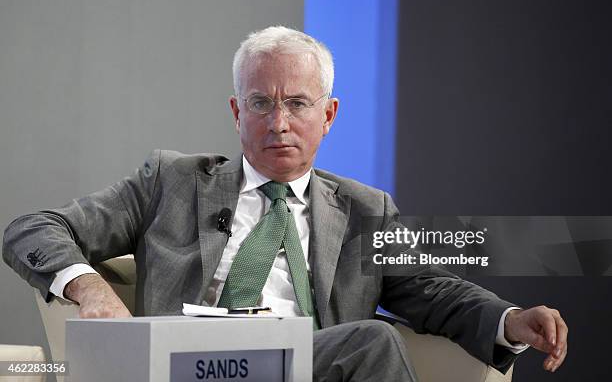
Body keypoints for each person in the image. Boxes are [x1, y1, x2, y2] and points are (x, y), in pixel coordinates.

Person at [3, 26, 567, 380]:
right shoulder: (170, 180)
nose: (278, 123)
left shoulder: (367, 210)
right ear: (235, 111)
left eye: (297, 103)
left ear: (329, 115)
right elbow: (31, 228)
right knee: (373, 338)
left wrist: (511, 320)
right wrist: (90, 287)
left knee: (371, 340)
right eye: (260, 103)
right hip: (188, 368)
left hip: (305, 368)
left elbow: (432, 292)